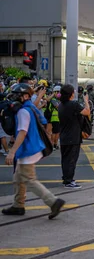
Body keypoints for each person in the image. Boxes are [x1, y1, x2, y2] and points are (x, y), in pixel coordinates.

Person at [2, 84, 66, 218]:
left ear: (25, 96)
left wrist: (12, 151)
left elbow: (22, 133)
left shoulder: (23, 111)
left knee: (29, 180)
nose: (14, 97)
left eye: (17, 95)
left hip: (27, 150)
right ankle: (18, 205)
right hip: (30, 148)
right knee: (18, 177)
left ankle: (53, 202)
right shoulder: (30, 107)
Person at [57, 84, 90, 189]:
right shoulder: (73, 105)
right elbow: (87, 112)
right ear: (71, 94)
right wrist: (86, 101)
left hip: (64, 136)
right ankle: (69, 181)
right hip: (73, 136)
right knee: (71, 160)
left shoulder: (61, 105)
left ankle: (66, 178)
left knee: (65, 159)